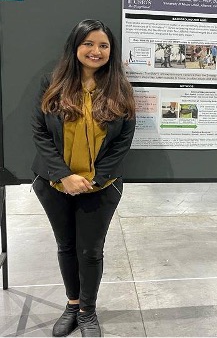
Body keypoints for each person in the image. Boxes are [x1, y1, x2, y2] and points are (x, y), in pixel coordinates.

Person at [30, 19, 136, 337]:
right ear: (76, 46)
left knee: (90, 250)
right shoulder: (52, 83)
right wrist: (64, 176)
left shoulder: (119, 88)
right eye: (89, 43)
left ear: (111, 51)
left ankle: (88, 313)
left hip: (102, 186)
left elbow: (123, 140)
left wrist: (94, 179)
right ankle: (72, 305)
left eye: (103, 45)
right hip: (53, 184)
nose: (96, 51)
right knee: (66, 246)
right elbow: (39, 132)